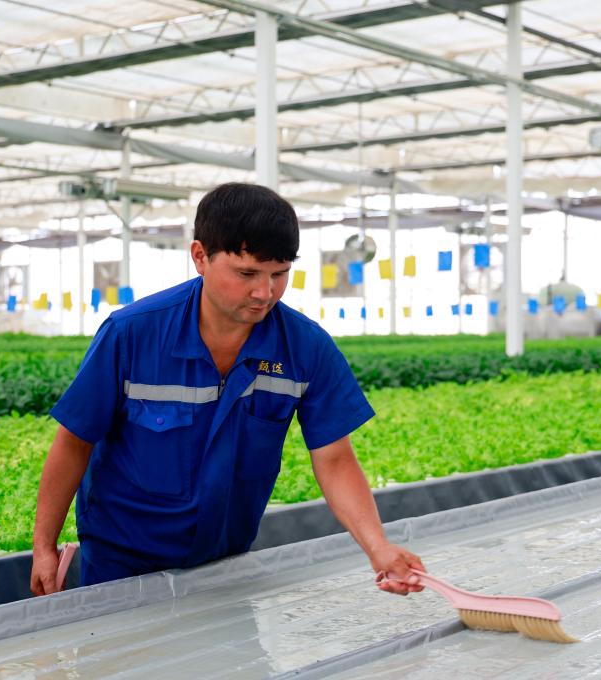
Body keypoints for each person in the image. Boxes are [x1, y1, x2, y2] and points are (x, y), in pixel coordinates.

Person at [30, 182, 424, 597]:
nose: (264, 292)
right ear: (200, 256)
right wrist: (43, 547)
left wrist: (377, 547)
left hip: (226, 564)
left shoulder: (305, 348)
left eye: (279, 274)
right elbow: (74, 441)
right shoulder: (131, 335)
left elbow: (335, 458)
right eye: (247, 273)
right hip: (121, 564)